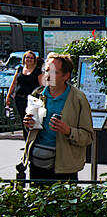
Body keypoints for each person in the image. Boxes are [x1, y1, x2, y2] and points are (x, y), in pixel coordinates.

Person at [22, 54, 92, 182]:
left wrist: (68, 131)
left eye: (54, 72)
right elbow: (31, 131)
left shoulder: (78, 99)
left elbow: (88, 137)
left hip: (65, 167)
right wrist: (28, 124)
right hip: (37, 163)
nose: (48, 75)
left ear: (66, 76)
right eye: (46, 70)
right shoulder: (37, 94)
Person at [6, 51, 41, 118]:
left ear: (34, 60)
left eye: (31, 58)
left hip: (32, 100)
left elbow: (41, 86)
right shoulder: (19, 69)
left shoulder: (38, 71)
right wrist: (8, 96)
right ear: (24, 59)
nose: (29, 59)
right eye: (27, 57)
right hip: (19, 98)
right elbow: (13, 83)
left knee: (31, 118)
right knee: (22, 118)